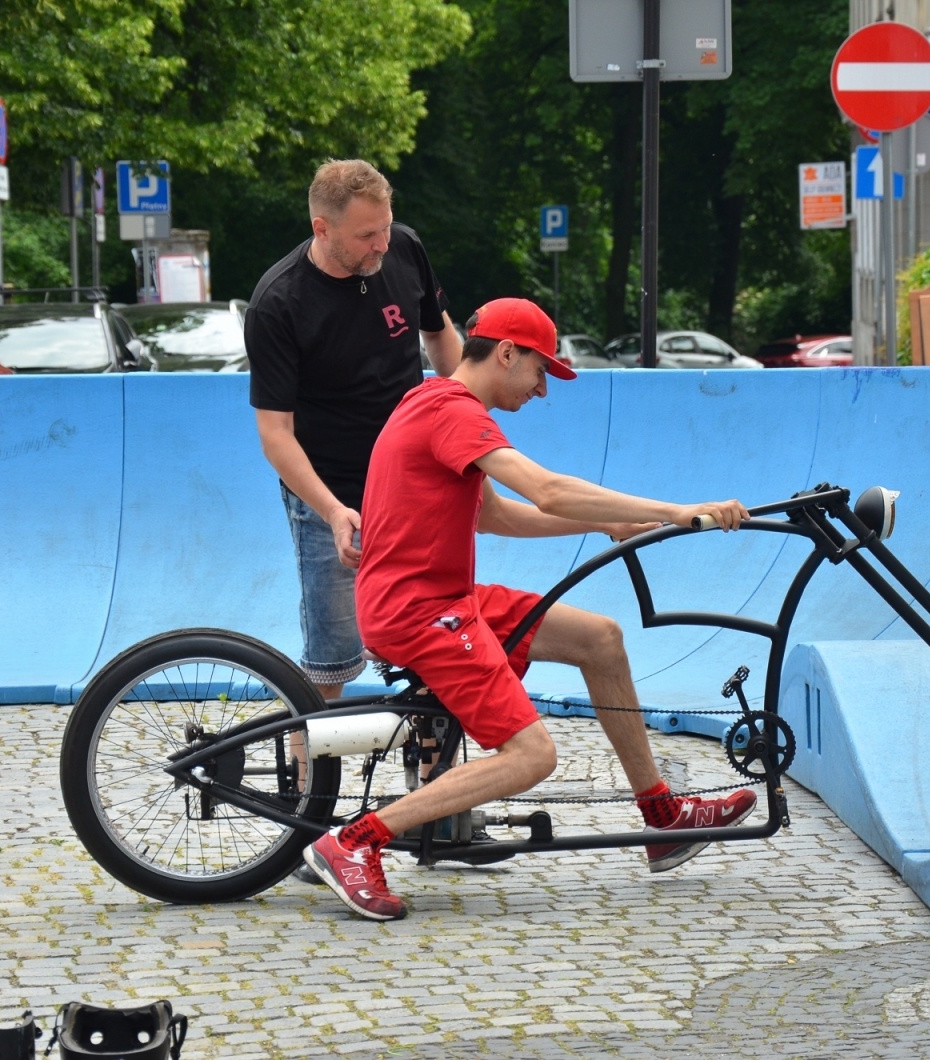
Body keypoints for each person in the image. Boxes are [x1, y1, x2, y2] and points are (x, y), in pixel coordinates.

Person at [302, 297, 756, 921]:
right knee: (533, 755)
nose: (544, 390)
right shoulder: (450, 409)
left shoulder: (442, 406)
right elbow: (544, 489)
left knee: (600, 638)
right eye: (541, 372)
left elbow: (494, 515)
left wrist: (610, 524)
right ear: (507, 353)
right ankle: (353, 841)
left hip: (444, 598)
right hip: (417, 611)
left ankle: (663, 818)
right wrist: (678, 509)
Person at [245, 159, 463, 700]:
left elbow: (440, 339)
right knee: (331, 660)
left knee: (434, 642)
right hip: (333, 493)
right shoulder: (278, 302)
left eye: (387, 225)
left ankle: (431, 778)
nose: (382, 244)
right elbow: (275, 433)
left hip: (415, 483)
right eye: (368, 234)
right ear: (323, 229)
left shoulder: (405, 247)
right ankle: (308, 782)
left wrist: (466, 417)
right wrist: (332, 511)